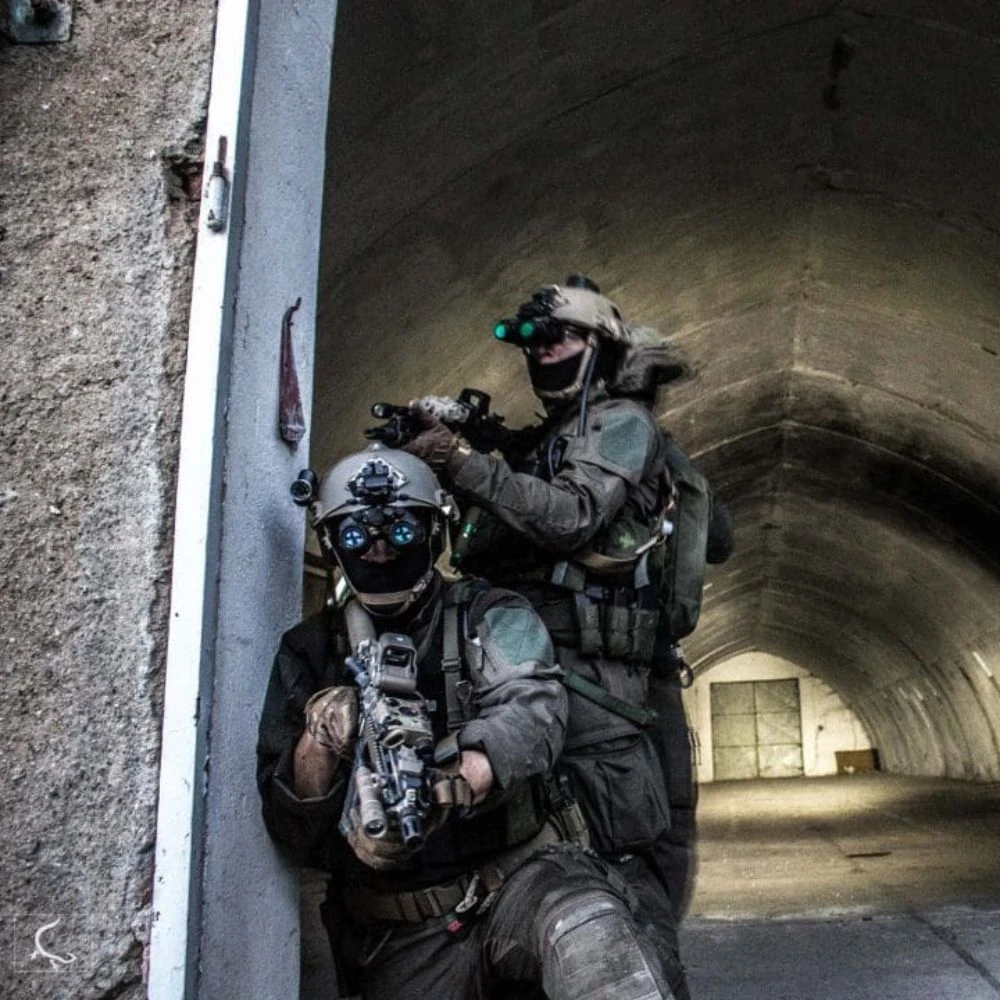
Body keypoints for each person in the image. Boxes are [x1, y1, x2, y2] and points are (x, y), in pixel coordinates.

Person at [401, 277, 732, 995]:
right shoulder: (549, 440)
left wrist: (460, 460)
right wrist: (464, 445)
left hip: (600, 694)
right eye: (531, 341)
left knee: (624, 868)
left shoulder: (624, 425)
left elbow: (573, 515)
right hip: (531, 677)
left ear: (602, 344)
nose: (542, 351)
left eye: (561, 338)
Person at [256, 444, 679, 1000]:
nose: (380, 550)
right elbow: (291, 828)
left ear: (435, 533)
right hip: (401, 930)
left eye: (401, 530)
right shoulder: (308, 651)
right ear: (333, 543)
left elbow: (533, 706)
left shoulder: (491, 613)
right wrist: (320, 740)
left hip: (521, 880)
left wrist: (459, 780)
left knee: (593, 938)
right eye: (358, 535)